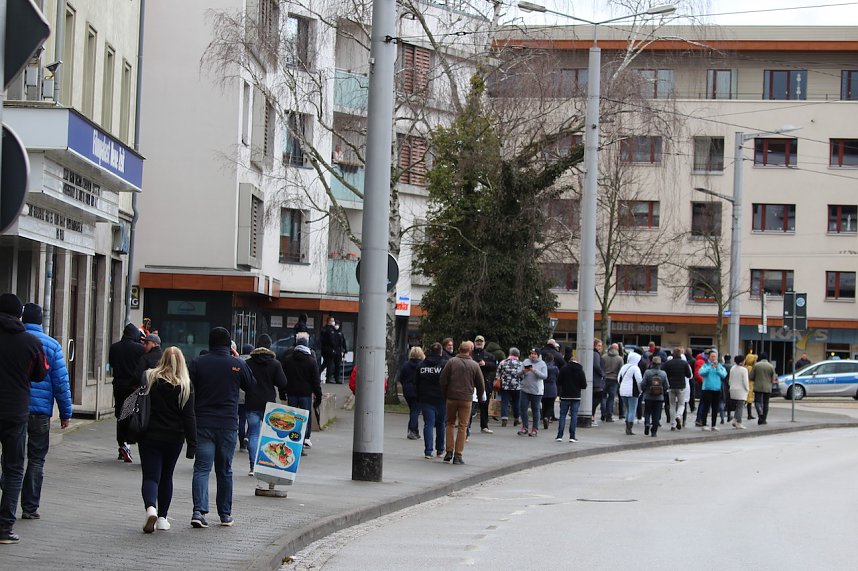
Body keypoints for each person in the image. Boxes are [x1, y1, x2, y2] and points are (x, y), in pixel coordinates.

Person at [188, 327, 255, 529]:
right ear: (229, 345)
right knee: (224, 470)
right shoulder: (236, 364)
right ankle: (225, 514)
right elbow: (251, 384)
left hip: (203, 422)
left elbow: (189, 389)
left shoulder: (198, 363)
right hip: (227, 424)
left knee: (201, 468)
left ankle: (199, 511)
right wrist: (238, 359)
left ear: (209, 343)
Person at [0, 294, 48, 544]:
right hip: (16, 412)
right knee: (14, 468)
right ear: (19, 315)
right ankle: (4, 527)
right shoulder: (30, 342)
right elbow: (40, 374)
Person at [20, 303, 72, 521]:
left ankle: (8, 495)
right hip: (41, 413)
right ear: (41, 321)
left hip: (16, 409)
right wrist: (65, 412)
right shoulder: (51, 346)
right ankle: (30, 507)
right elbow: (61, 381)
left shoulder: (15, 340)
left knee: (11, 457)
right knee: (36, 459)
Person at [139, 347, 197, 533]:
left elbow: (139, 403)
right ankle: (163, 518)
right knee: (166, 476)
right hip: (174, 437)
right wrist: (192, 443)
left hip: (149, 435)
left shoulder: (149, 378)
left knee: (150, 476)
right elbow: (189, 417)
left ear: (162, 359)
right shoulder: (185, 385)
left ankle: (150, 509)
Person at [244, 335, 288, 476]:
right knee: (270, 435)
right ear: (270, 346)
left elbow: (243, 382)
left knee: (253, 434)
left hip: (252, 402)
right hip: (269, 404)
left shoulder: (248, 363)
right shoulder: (275, 364)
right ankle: (269, 465)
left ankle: (253, 467)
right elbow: (282, 383)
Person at [439, 341, 485, 465]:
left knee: (449, 423)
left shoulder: (451, 362)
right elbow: (480, 384)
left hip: (451, 397)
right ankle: (458, 455)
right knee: (463, 426)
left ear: (459, 349)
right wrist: (480, 397)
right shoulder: (474, 365)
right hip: (466, 398)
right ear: (469, 351)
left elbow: (443, 379)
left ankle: (449, 451)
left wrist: (445, 393)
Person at [108, 323, 146, 463]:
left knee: (120, 414)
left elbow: (111, 363)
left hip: (118, 385)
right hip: (132, 386)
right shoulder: (139, 349)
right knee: (130, 413)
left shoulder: (114, 347)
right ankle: (127, 443)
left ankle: (121, 444)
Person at [280, 336, 322, 448]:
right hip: (305, 394)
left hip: (291, 392)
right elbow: (316, 381)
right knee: (305, 417)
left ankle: (292, 437)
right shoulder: (312, 361)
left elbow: (282, 378)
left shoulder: (288, 360)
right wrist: (318, 395)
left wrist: (282, 393)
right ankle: (305, 438)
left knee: (291, 417)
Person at [416, 343, 446, 459]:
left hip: (426, 398)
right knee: (441, 424)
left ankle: (428, 451)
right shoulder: (444, 365)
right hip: (441, 398)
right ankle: (440, 450)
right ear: (441, 351)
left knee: (428, 424)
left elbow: (417, 383)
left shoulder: (422, 366)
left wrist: (419, 397)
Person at [555, 356, 586, 442]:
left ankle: (559, 435)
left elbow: (558, 382)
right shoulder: (580, 370)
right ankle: (572, 436)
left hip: (565, 395)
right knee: (574, 416)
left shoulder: (564, 369)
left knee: (562, 415)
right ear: (577, 361)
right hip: (576, 396)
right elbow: (584, 385)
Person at [471, 336, 497, 433]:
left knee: (484, 404)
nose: (479, 343)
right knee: (470, 404)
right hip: (471, 382)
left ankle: (484, 425)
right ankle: (465, 425)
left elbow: (494, 366)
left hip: (484, 382)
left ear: (484, 343)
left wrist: (485, 364)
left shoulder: (489, 355)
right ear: (474, 342)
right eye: (477, 341)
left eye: (480, 341)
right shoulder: (470, 354)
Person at [517, 349, 547, 437]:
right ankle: (525, 427)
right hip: (525, 389)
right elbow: (517, 373)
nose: (533, 355)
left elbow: (544, 376)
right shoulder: (526, 361)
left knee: (535, 409)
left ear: (538, 355)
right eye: (531, 354)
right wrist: (524, 371)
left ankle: (535, 429)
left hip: (536, 391)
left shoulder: (542, 364)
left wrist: (534, 370)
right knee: (523, 408)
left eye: (535, 354)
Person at [397, 346, 424, 440]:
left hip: (407, 390)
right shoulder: (422, 365)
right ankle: (412, 430)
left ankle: (415, 430)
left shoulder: (406, 364)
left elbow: (400, 378)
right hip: (418, 391)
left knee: (413, 410)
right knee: (415, 412)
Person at [663, 347, 692, 431]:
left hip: (671, 386)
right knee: (681, 404)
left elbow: (663, 372)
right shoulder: (684, 363)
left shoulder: (668, 363)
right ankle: (679, 416)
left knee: (672, 405)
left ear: (673, 354)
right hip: (681, 386)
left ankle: (673, 424)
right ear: (680, 354)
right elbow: (689, 375)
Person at [698, 350, 727, 431]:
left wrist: (717, 368)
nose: (714, 358)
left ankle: (713, 425)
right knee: (706, 407)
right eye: (712, 357)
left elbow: (724, 374)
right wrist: (710, 367)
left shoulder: (719, 365)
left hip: (717, 389)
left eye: (715, 357)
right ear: (709, 357)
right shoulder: (705, 365)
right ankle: (704, 424)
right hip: (707, 389)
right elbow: (701, 372)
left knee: (715, 408)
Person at [641, 356, 669, 437]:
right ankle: (654, 432)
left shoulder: (647, 372)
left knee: (647, 412)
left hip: (648, 396)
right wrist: (663, 391)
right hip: (659, 397)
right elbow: (666, 386)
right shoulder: (663, 373)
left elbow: (643, 383)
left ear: (652, 363)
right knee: (656, 414)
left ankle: (647, 423)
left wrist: (645, 390)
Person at [496, 348, 523, 427]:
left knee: (505, 402)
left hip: (505, 386)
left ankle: (504, 418)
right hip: (517, 387)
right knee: (516, 402)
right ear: (518, 355)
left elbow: (498, 374)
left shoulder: (503, 362)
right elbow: (523, 375)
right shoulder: (520, 364)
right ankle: (516, 418)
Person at [618, 352, 643, 435]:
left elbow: (618, 379)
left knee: (628, 409)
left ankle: (627, 426)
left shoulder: (623, 367)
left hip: (622, 391)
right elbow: (639, 381)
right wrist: (640, 391)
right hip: (632, 391)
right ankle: (629, 428)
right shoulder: (635, 368)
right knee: (632, 410)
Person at [750, 352, 776, 425]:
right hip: (767, 387)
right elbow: (773, 378)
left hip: (758, 386)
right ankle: (764, 419)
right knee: (766, 403)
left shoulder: (756, 365)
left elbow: (751, 376)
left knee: (757, 402)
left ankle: (760, 413)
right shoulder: (771, 366)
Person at [320, 316, 347, 384]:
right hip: (329, 350)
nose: (334, 323)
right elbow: (328, 340)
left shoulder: (337, 332)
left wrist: (344, 349)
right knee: (329, 364)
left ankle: (336, 378)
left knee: (337, 364)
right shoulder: (326, 329)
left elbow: (342, 340)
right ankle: (328, 378)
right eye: (332, 321)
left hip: (337, 350)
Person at [601, 343, 623, 423]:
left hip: (604, 379)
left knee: (603, 397)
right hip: (614, 380)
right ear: (617, 349)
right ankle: (609, 416)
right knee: (611, 398)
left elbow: (601, 367)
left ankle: (603, 413)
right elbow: (621, 371)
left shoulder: (604, 357)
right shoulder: (620, 359)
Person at [728, 355, 749, 429]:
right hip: (741, 390)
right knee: (740, 406)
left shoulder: (732, 368)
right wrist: (747, 389)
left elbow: (730, 380)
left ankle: (735, 419)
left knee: (737, 406)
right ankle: (738, 422)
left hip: (733, 389)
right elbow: (745, 381)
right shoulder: (744, 370)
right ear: (742, 361)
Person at [541, 351, 559, 429]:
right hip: (552, 387)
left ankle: (544, 416)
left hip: (543, 387)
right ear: (552, 360)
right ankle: (547, 417)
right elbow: (558, 376)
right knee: (550, 405)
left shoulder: (543, 367)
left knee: (544, 404)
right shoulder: (555, 368)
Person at [592, 339, 606, 425]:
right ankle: (592, 416)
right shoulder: (596, 354)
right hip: (596, 381)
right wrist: (602, 374)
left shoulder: (595, 354)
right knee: (597, 398)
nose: (600, 347)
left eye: (601, 346)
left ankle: (592, 416)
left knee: (595, 399)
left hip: (595, 380)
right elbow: (596, 365)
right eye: (598, 346)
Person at [744, 351, 757, 420]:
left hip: (746, 385)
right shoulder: (750, 368)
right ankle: (749, 415)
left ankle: (749, 414)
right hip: (750, 385)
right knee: (749, 401)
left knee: (747, 401)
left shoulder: (745, 367)